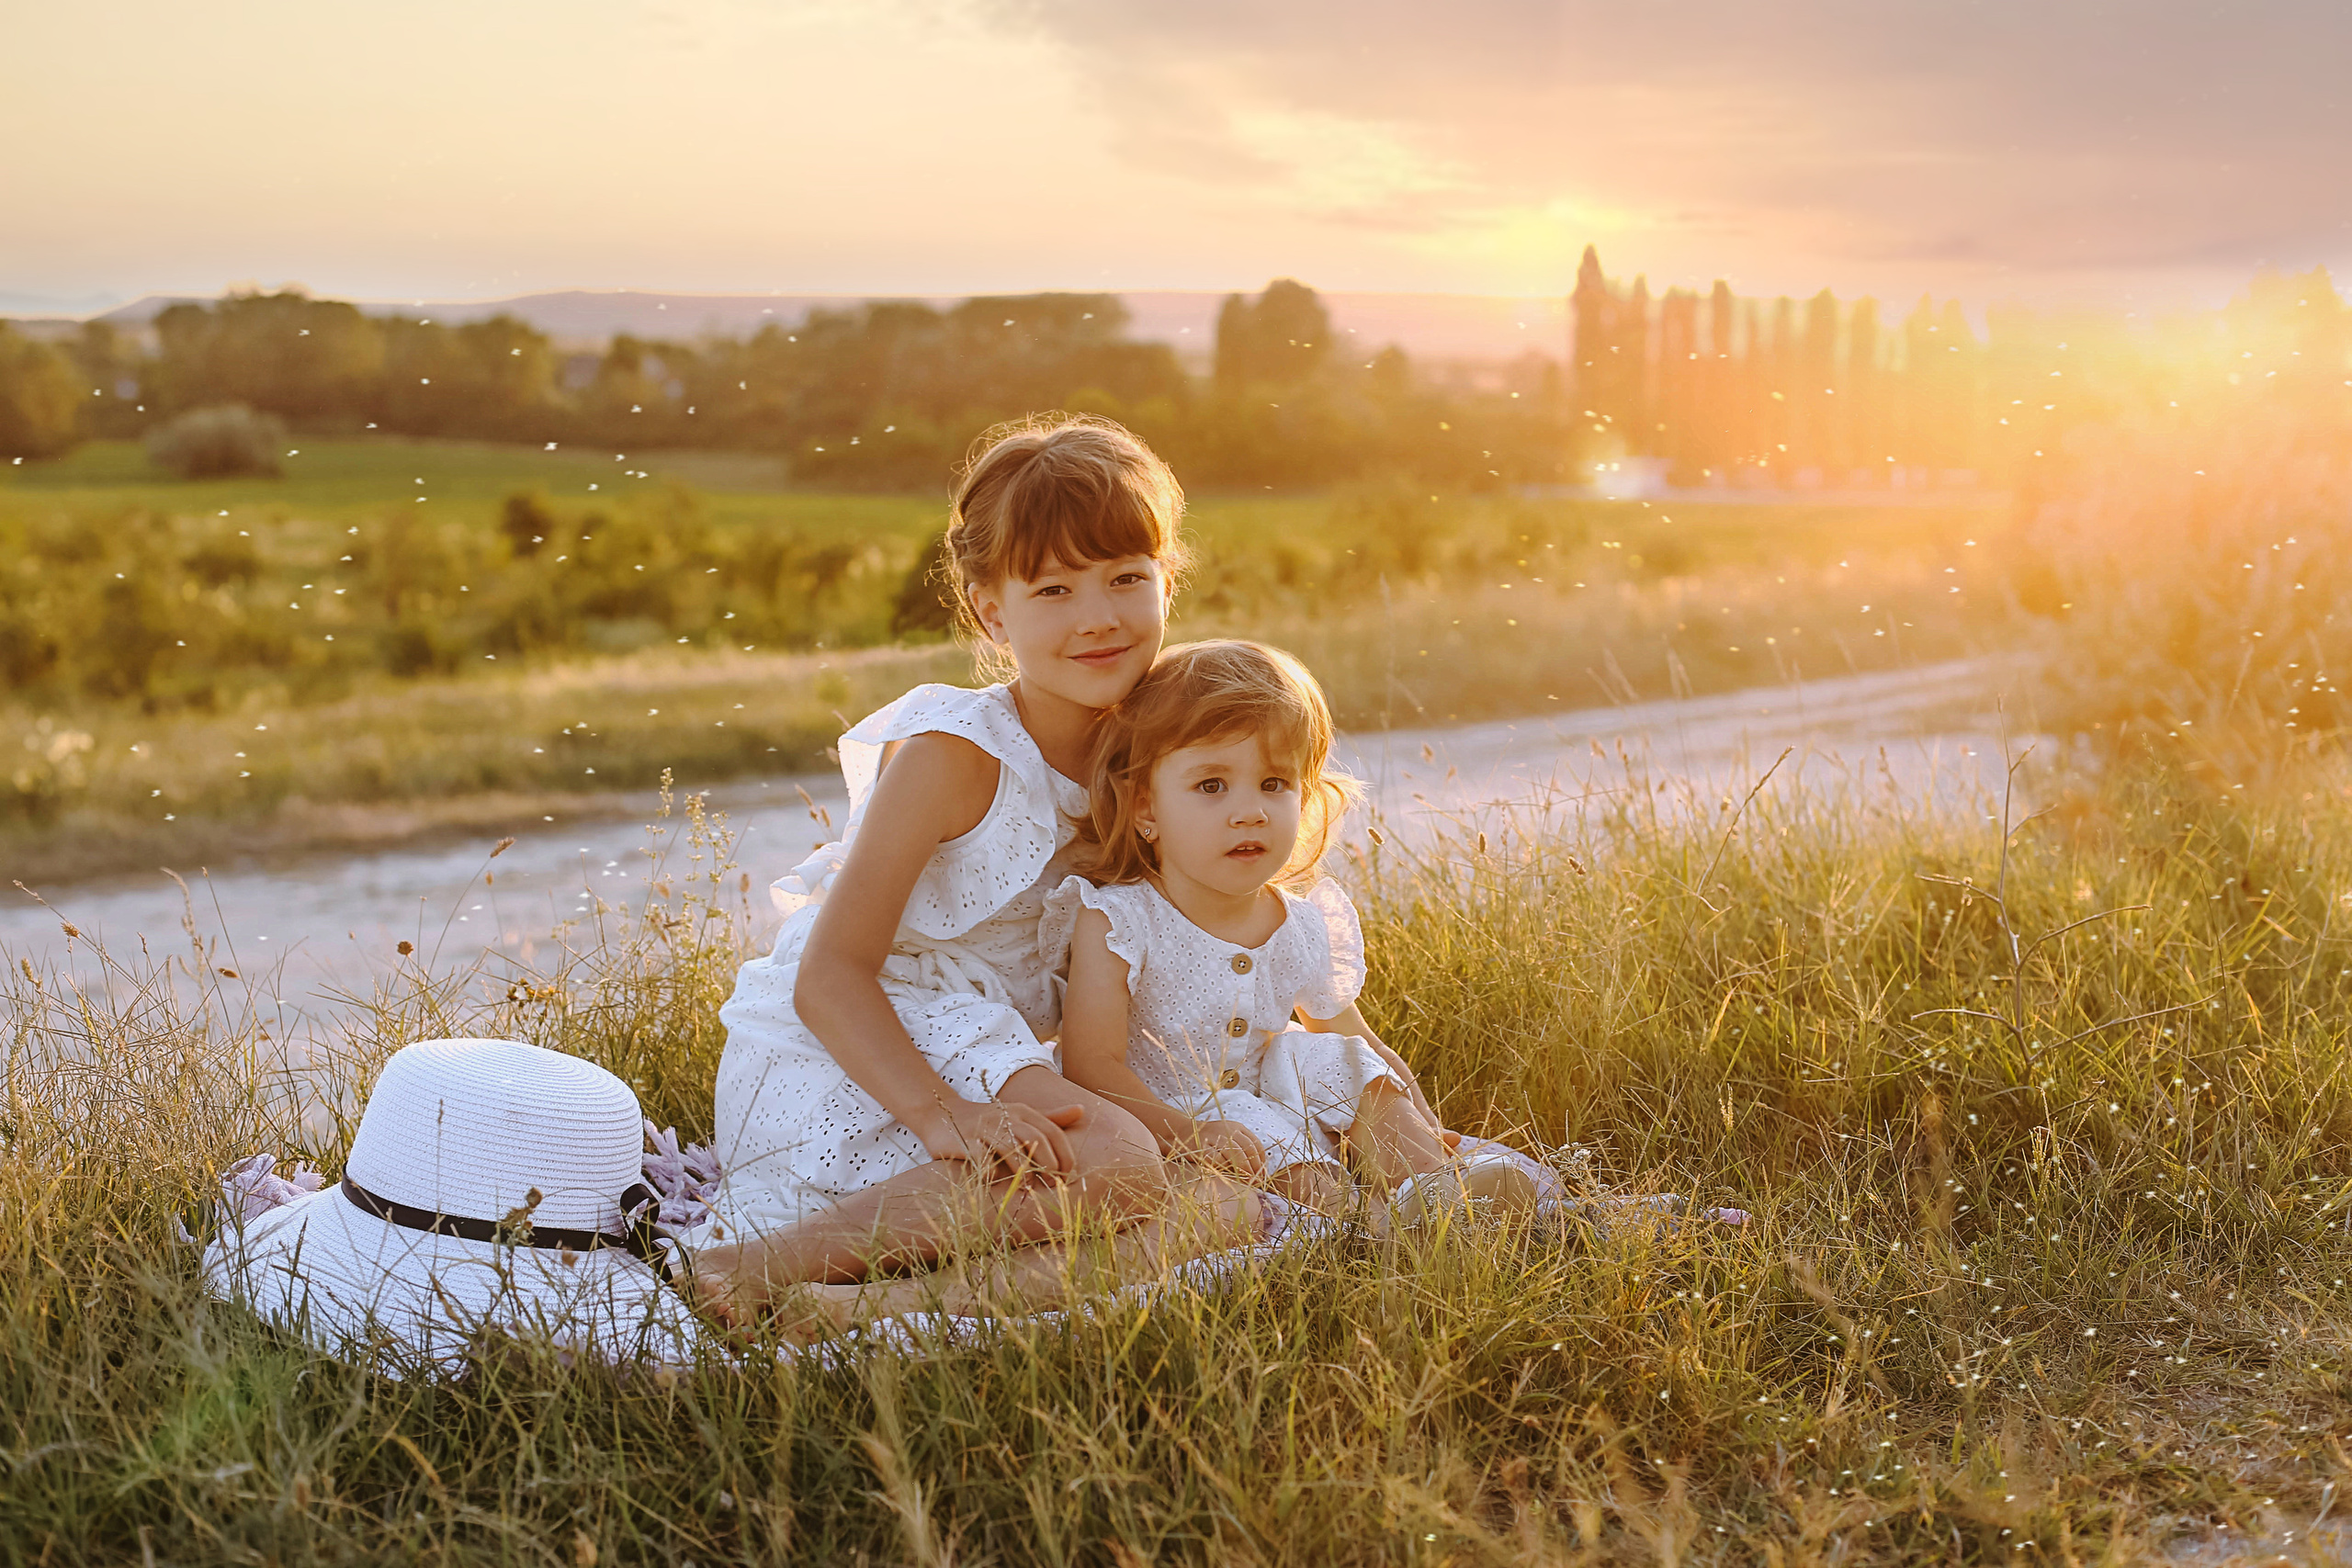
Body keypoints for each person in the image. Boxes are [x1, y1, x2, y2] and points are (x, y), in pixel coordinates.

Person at [688, 417, 1264, 1321]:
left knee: (1218, 1208)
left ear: (1167, 579)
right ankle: (750, 1263)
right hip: (865, 1049)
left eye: (1125, 577)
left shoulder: (1159, 751)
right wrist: (941, 1115)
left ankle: (861, 1311)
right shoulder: (957, 754)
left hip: (988, 1051)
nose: (1098, 616)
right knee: (1118, 1164)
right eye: (1054, 589)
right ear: (993, 612)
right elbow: (828, 974)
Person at [1045, 640, 1538, 1221]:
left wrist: (1423, 1119)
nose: (1250, 811)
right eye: (1212, 786)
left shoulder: (1299, 921)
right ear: (1145, 809)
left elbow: (1356, 1040)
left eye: (1274, 783)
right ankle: (1363, 1227)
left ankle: (1434, 1182)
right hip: (1178, 1120)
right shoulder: (1121, 920)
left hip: (1280, 1103)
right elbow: (1090, 1065)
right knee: (1247, 1116)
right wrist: (1187, 1133)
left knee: (1334, 1057)